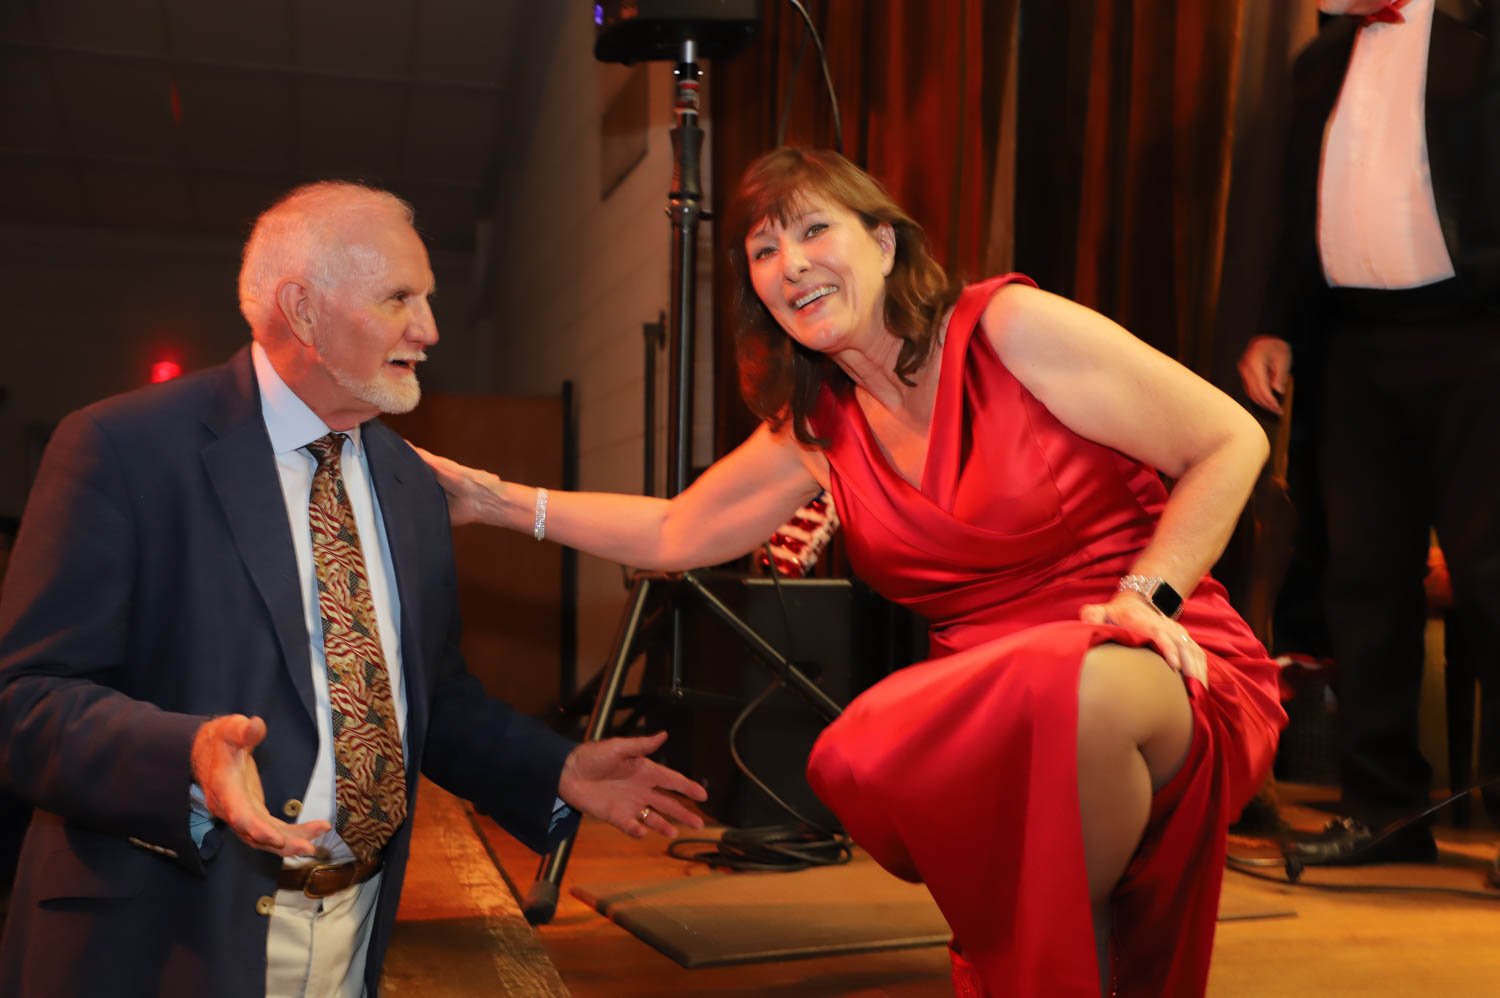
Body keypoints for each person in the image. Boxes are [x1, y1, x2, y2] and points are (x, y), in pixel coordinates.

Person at [416, 147, 1285, 997]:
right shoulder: (817, 429)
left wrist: (1145, 595)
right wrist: (496, 501)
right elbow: (679, 528)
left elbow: (1230, 439)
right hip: (987, 701)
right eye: (764, 251)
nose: (791, 264)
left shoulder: (1010, 330)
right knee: (862, 751)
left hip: (1153, 655)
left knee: (1072, 699)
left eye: (812, 231)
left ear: (884, 241)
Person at [0, 181, 707, 998]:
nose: (429, 329)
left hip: (352, 931)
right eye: (399, 298)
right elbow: (26, 701)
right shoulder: (123, 448)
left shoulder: (410, 482)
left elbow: (425, 696)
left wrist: (557, 769)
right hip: (167, 937)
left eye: (427, 298)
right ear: (302, 310)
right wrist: (184, 757)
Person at [1240, 0, 1500, 868]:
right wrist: (1276, 324)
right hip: (1354, 343)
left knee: (1492, 569)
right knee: (1362, 579)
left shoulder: (1483, 33)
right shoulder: (1318, 63)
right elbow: (1299, 209)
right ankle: (1384, 811)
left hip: (1481, 336)